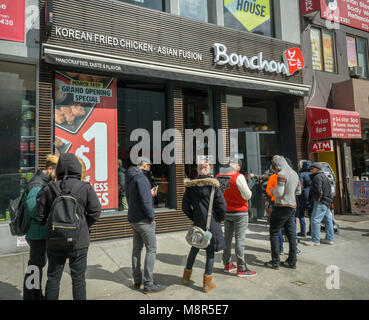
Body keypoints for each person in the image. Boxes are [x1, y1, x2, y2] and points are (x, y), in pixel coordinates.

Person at [36, 153, 101, 300]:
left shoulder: (50, 188)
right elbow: (96, 212)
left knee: (53, 279)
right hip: (79, 242)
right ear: (77, 168)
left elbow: (39, 216)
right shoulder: (85, 187)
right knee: (78, 281)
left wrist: (51, 225)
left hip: (54, 240)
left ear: (58, 168)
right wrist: (82, 225)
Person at [181, 161, 226, 293]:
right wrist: (220, 218)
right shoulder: (214, 186)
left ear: (199, 170)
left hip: (198, 223)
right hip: (212, 223)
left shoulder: (190, 186)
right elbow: (222, 206)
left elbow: (185, 207)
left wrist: (194, 217)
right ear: (209, 170)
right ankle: (207, 284)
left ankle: (185, 278)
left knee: (194, 248)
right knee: (210, 252)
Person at [125, 157, 166, 294]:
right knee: (151, 249)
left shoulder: (130, 177)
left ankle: (138, 281)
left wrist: (149, 194)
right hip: (144, 220)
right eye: (149, 166)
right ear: (144, 165)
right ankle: (148, 284)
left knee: (137, 249)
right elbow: (145, 202)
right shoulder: (142, 179)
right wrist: (151, 217)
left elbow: (137, 197)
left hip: (133, 218)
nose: (149, 169)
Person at [23, 154, 59, 300]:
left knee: (38, 264)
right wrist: (47, 218)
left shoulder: (44, 182)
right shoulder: (37, 184)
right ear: (49, 169)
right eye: (58, 171)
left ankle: (36, 294)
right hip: (36, 233)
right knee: (34, 266)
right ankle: (30, 296)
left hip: (40, 232)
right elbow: (32, 209)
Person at [216, 159, 256, 277]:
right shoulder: (238, 176)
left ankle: (227, 264)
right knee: (240, 240)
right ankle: (241, 268)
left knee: (227, 238)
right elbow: (247, 195)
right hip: (240, 212)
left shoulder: (218, 176)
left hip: (226, 212)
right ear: (237, 166)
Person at [264, 155, 301, 270]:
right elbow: (298, 191)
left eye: (274, 165)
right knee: (291, 234)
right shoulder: (294, 173)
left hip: (282, 206)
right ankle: (292, 260)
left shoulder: (281, 174)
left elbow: (279, 193)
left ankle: (275, 261)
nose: (273, 168)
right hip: (292, 206)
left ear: (277, 164)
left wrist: (270, 190)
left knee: (274, 232)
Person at [301, 162, 334, 246]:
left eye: (312, 169)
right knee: (328, 220)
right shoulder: (324, 176)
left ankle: (315, 240)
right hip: (327, 201)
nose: (310, 170)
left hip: (321, 202)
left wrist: (316, 200)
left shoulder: (317, 177)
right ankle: (329, 239)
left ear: (317, 169)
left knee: (315, 220)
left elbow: (318, 191)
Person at [297, 160, 313, 237]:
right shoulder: (312, 174)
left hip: (303, 195)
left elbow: (300, 186)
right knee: (311, 214)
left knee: (301, 213)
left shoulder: (301, 174)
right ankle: (311, 231)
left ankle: (303, 232)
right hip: (312, 195)